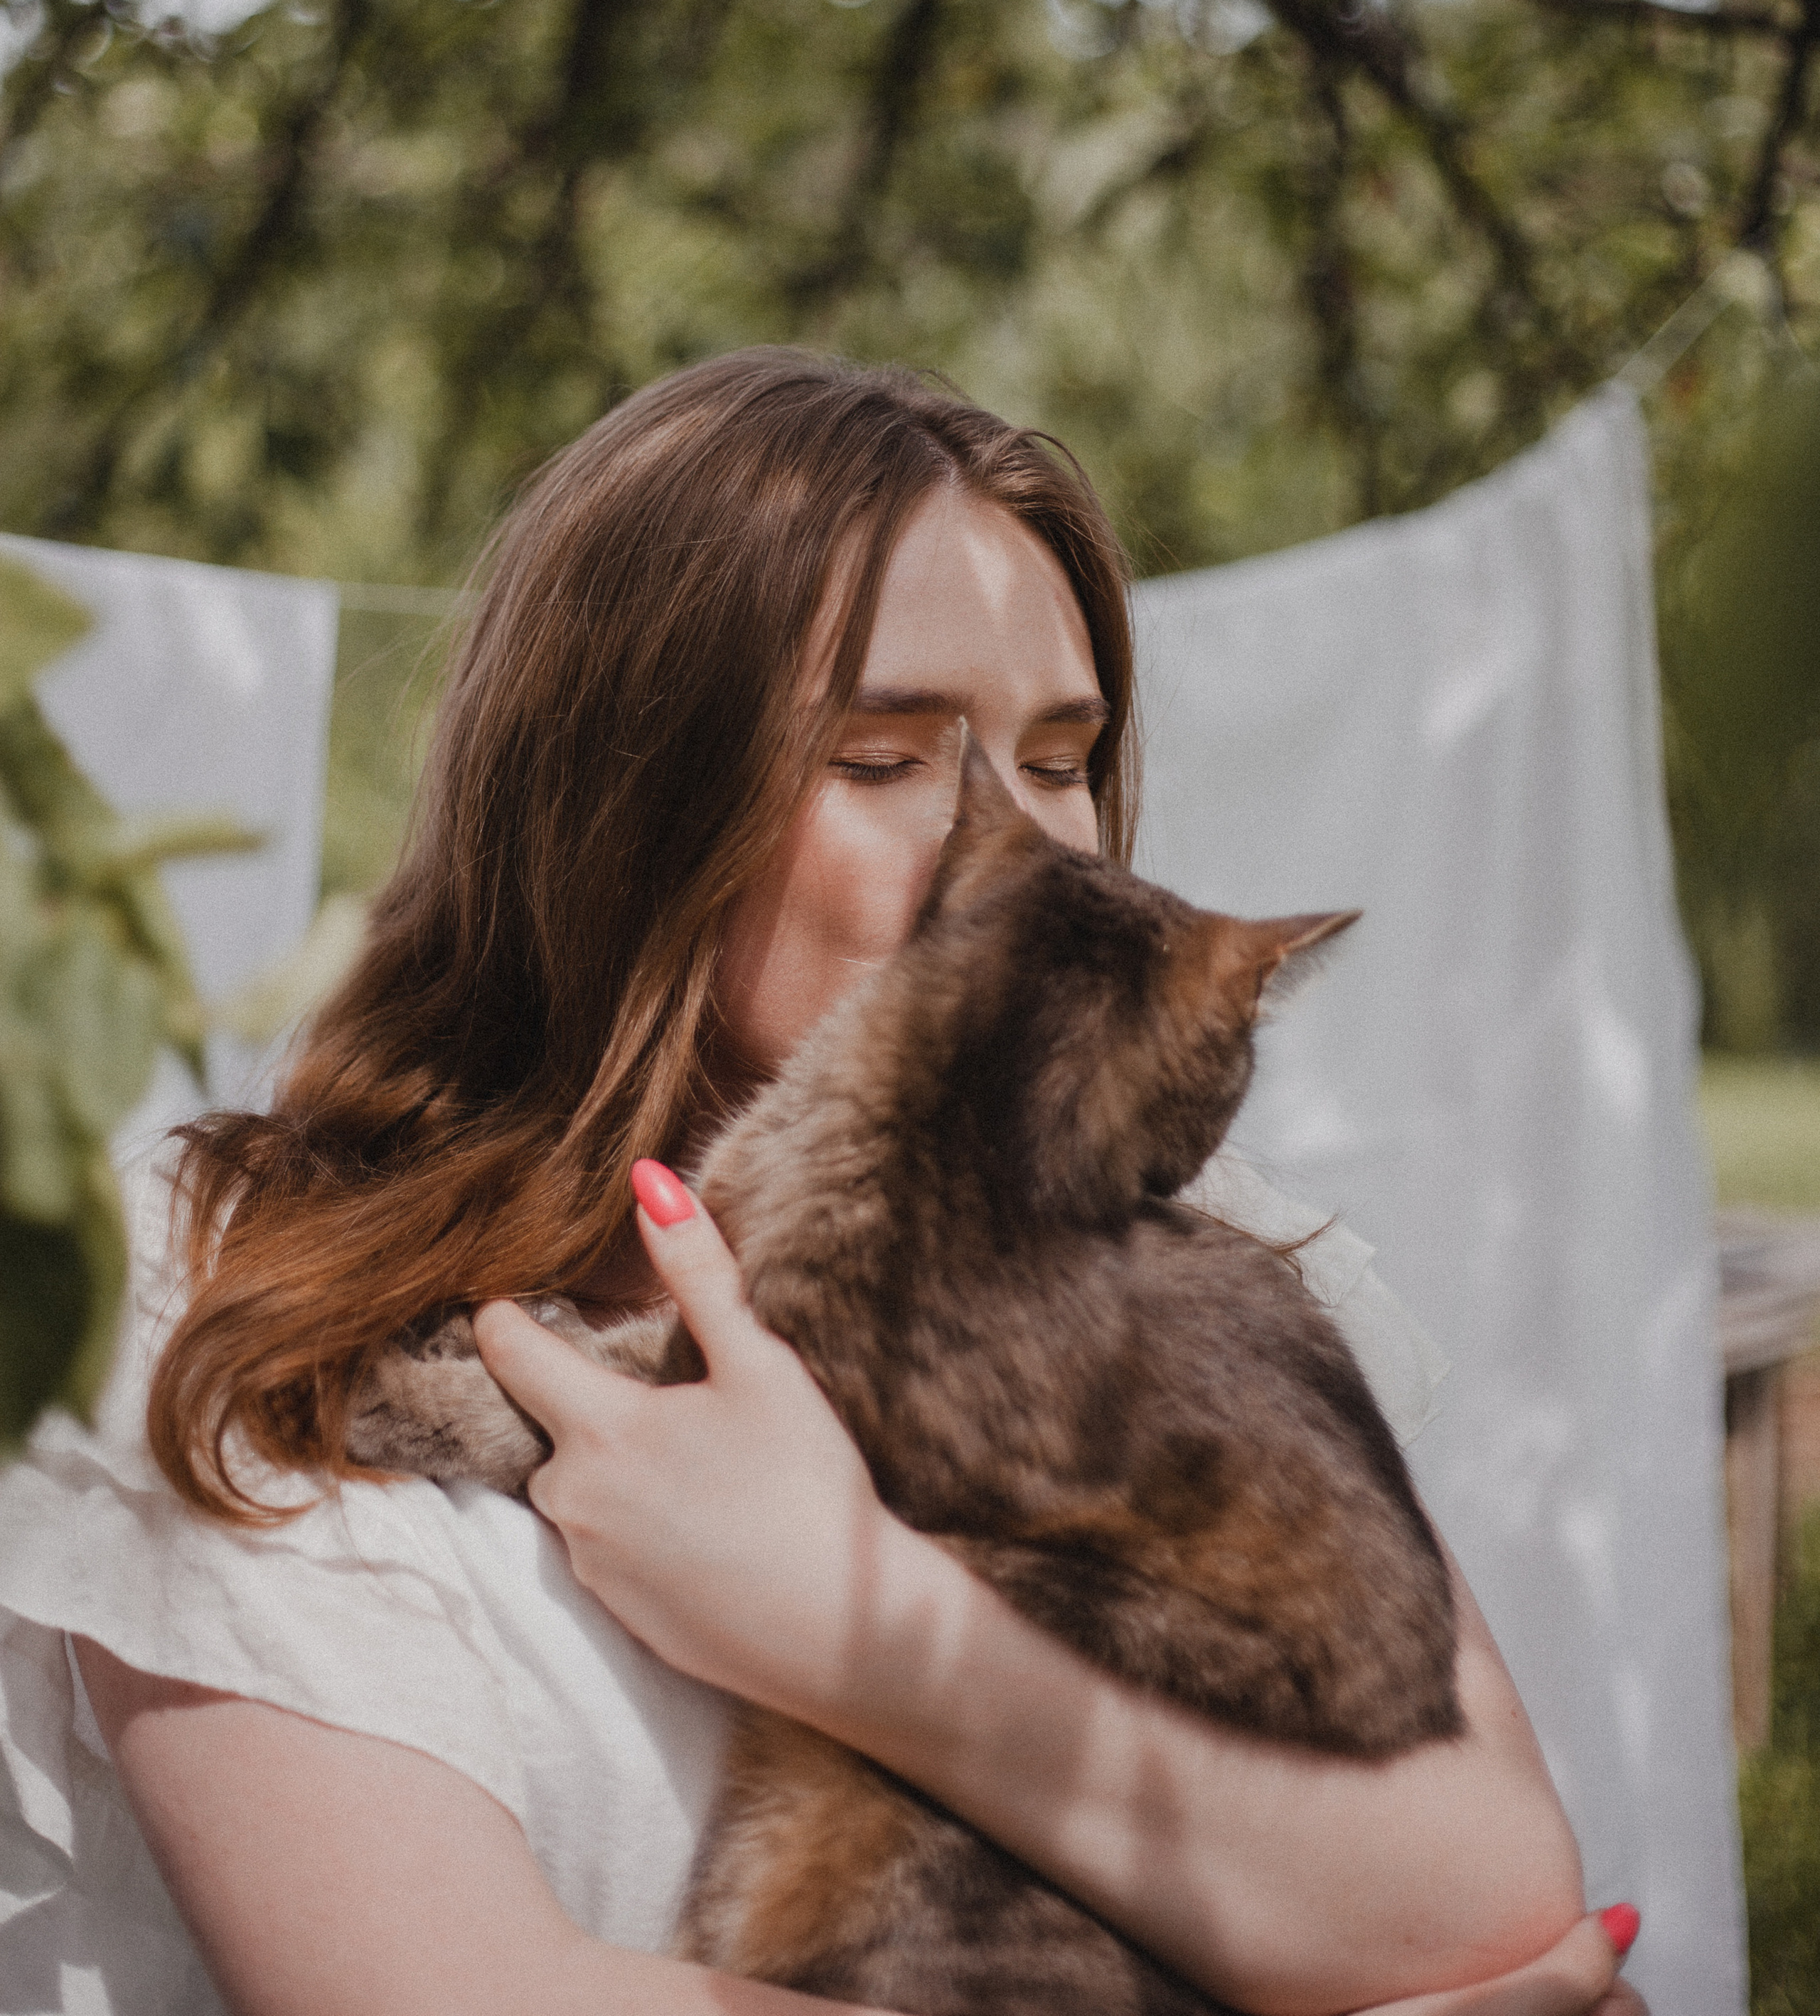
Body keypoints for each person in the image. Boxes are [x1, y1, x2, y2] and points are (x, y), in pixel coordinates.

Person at [0, 350, 1644, 2016]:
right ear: (622, 799)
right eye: (881, 761)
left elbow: (1492, 1901)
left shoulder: (1191, 1274)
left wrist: (837, 1619)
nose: (1018, 850)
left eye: (1061, 762)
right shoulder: (236, 1288)